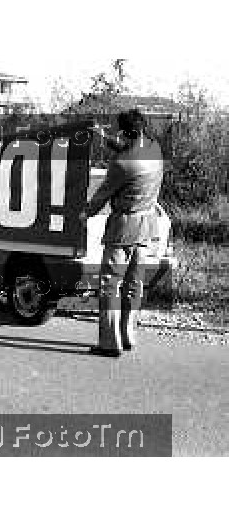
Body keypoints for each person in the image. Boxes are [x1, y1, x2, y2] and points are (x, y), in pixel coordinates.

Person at [79, 109, 164, 358]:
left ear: (126, 132)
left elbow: (102, 194)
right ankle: (128, 336)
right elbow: (128, 152)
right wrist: (104, 138)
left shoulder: (121, 165)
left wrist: (85, 214)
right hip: (147, 226)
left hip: (123, 229)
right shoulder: (154, 149)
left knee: (110, 285)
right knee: (134, 284)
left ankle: (109, 342)